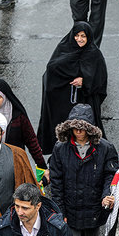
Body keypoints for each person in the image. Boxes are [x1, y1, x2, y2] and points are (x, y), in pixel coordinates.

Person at [49, 103, 118, 236]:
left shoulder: (105, 148)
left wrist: (107, 194)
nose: (79, 132)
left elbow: (111, 175)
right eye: (75, 128)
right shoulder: (60, 149)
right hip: (70, 209)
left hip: (94, 208)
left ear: (90, 129)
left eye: (83, 128)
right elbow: (56, 181)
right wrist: (59, 209)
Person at [37, 21, 108, 155]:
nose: (79, 39)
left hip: (85, 100)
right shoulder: (64, 48)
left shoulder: (94, 54)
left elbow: (100, 78)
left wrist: (85, 80)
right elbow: (52, 69)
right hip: (63, 101)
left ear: (89, 38)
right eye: (77, 35)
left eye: (83, 36)